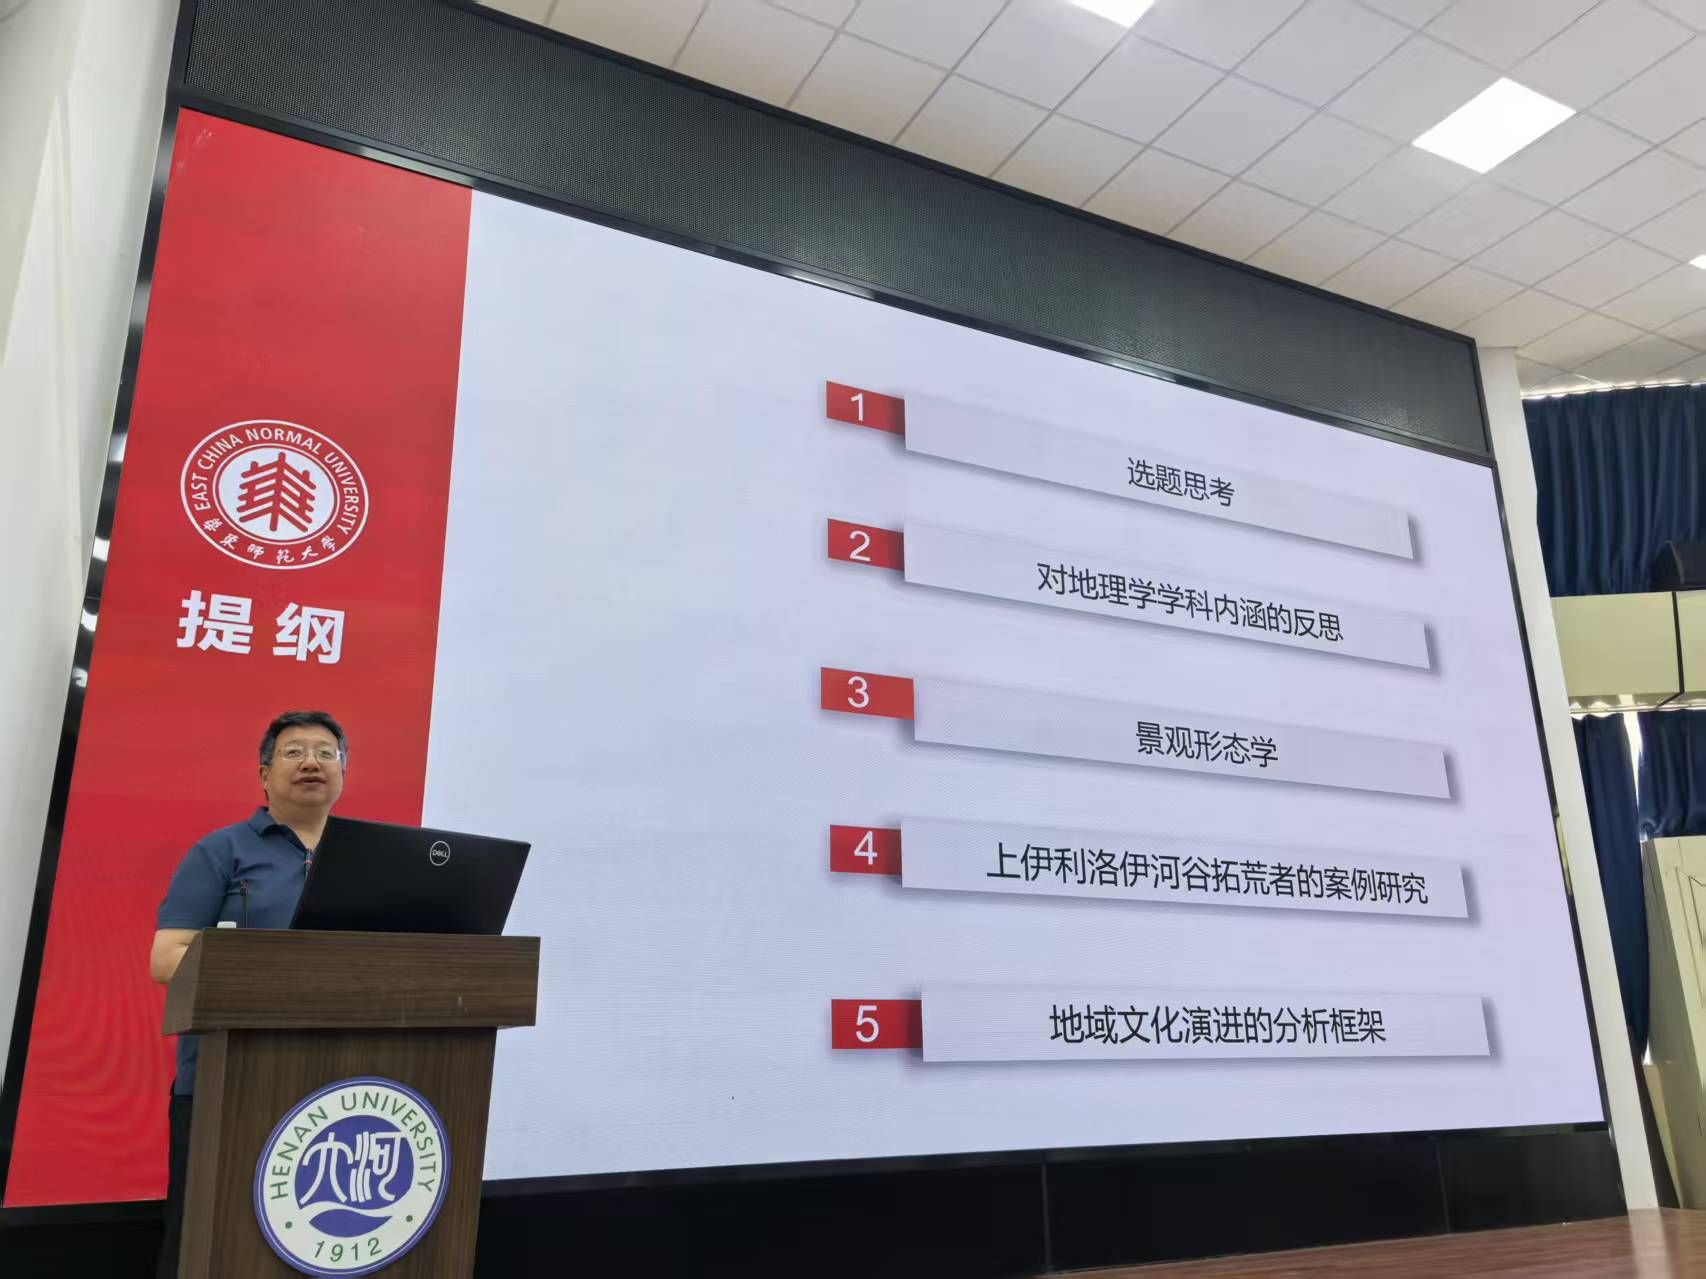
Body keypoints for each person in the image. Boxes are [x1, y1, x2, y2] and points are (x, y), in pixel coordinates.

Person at [149, 709, 348, 1279]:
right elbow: (166, 958)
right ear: (264, 774)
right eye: (293, 752)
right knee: (204, 1238)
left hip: (335, 1080)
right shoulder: (221, 851)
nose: (311, 762)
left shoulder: (367, 856)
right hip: (224, 1078)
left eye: (325, 753)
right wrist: (272, 974)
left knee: (312, 1240)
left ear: (343, 773)